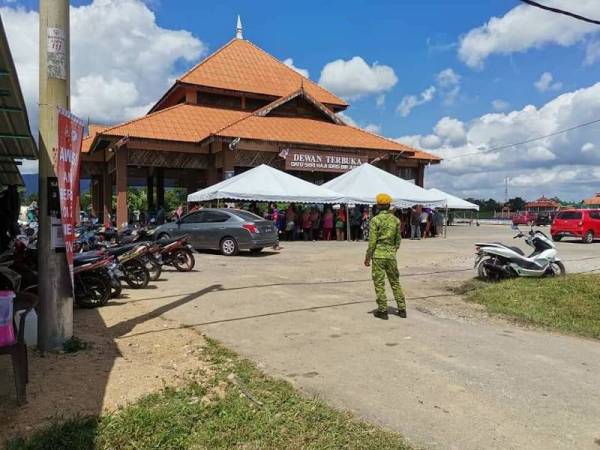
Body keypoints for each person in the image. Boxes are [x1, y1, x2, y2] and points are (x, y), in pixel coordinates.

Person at [364, 193, 406, 320]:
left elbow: (372, 242)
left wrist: (367, 257)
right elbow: (398, 240)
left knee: (379, 283)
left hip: (378, 256)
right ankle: (402, 309)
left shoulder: (375, 220)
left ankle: (383, 310)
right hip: (391, 256)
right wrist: (392, 251)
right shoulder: (396, 220)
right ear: (388, 206)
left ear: (378, 206)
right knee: (395, 282)